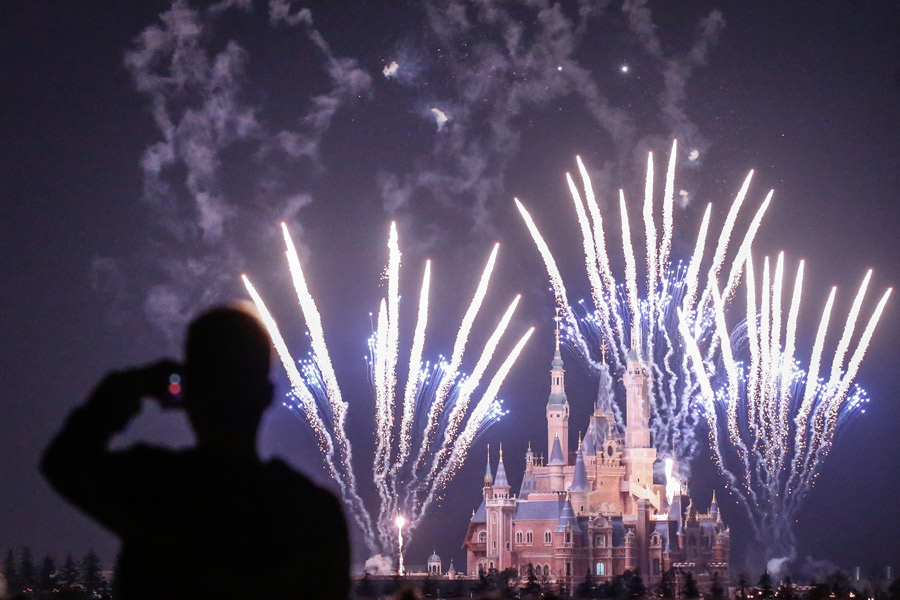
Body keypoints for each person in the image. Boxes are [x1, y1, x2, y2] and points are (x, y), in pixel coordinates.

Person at [42, 306, 350, 599]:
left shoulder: (152, 486)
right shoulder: (312, 513)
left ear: (188, 392)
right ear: (266, 395)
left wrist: (133, 384)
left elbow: (63, 462)